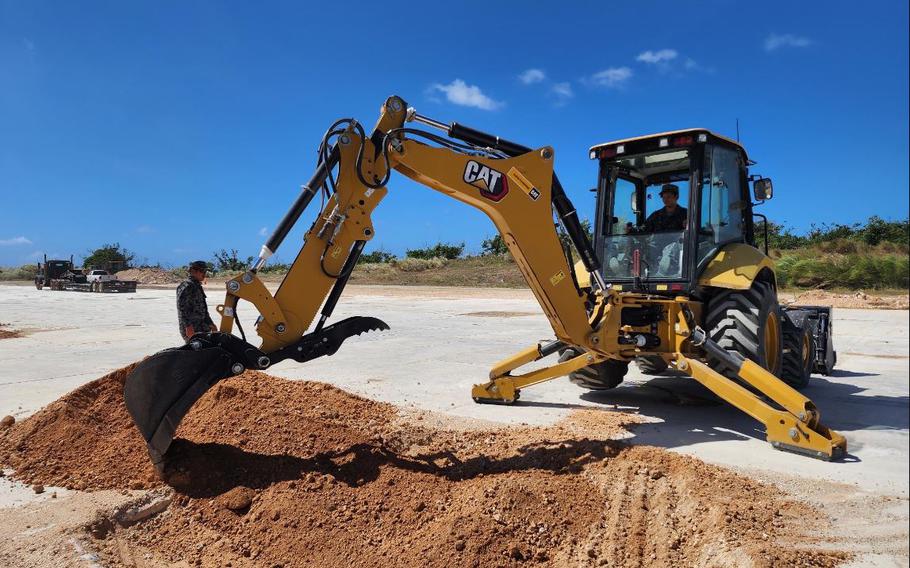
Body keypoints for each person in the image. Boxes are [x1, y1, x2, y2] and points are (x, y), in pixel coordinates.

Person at [176, 260, 217, 342]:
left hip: (202, 326)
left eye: (205, 271)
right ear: (193, 271)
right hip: (192, 328)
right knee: (195, 351)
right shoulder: (186, 286)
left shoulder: (197, 286)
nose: (204, 274)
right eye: (202, 271)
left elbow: (203, 308)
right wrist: (188, 326)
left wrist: (210, 323)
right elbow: (182, 308)